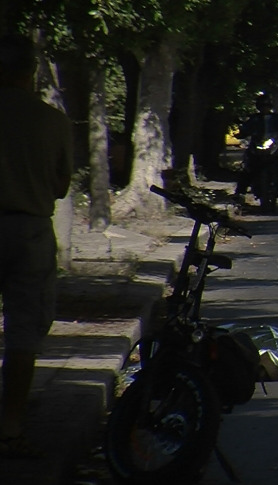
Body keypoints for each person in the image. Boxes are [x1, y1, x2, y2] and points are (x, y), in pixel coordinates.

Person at [0, 34, 73, 459]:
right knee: (24, 332)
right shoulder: (52, 121)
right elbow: (61, 185)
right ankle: (11, 424)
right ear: (30, 73)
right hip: (29, 231)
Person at [234, 93, 278, 197]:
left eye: (267, 106)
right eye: (262, 106)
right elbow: (245, 128)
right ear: (258, 107)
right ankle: (240, 193)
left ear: (270, 106)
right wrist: (241, 133)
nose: (264, 108)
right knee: (246, 166)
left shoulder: (276, 118)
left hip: (272, 145)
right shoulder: (254, 119)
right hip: (256, 146)